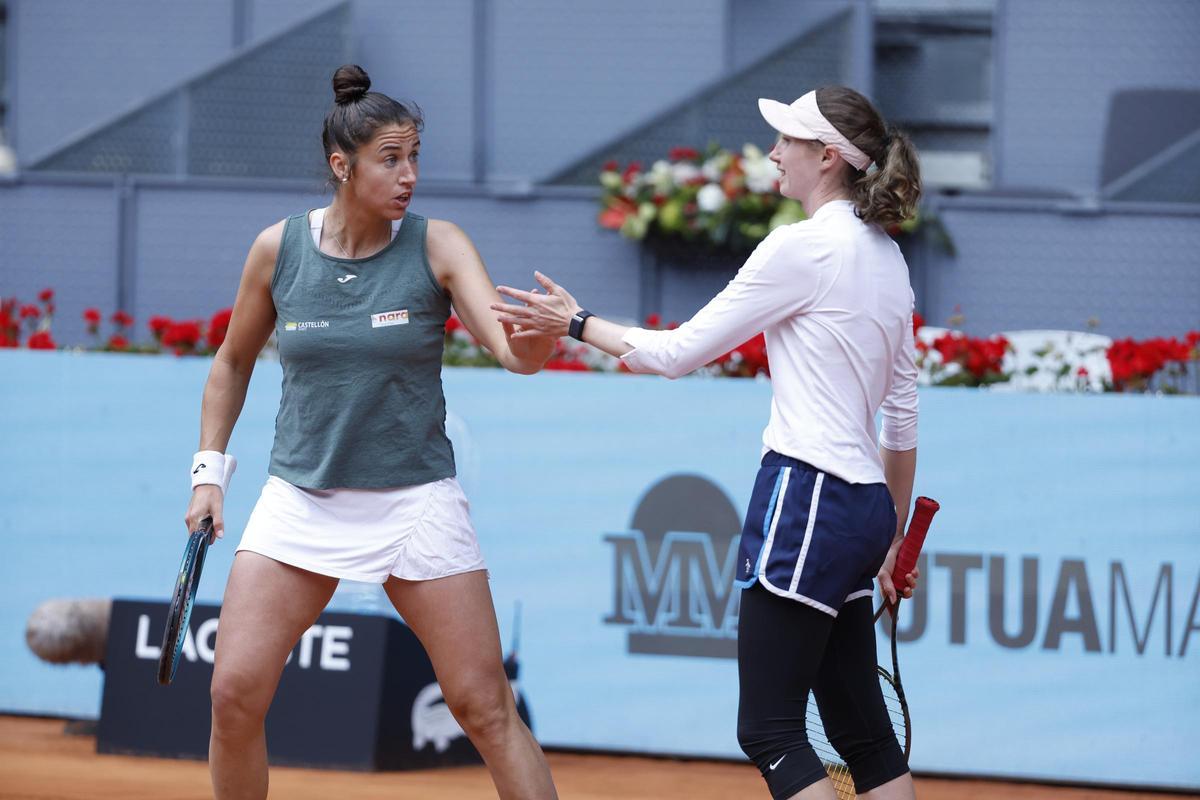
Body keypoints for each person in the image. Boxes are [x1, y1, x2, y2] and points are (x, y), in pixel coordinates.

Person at [492, 86, 923, 800]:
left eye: (788, 139)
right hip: (864, 508)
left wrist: (576, 322)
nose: (775, 152)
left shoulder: (804, 246)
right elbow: (901, 417)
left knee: (771, 729)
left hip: (808, 497)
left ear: (827, 157)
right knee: (864, 736)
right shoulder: (888, 257)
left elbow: (676, 353)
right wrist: (892, 535)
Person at [185, 64, 559, 800]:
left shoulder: (439, 244)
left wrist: (541, 338)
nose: (410, 174)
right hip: (301, 498)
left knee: (485, 708)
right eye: (392, 159)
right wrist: (207, 474)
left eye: (415, 156)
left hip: (415, 501)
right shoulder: (277, 248)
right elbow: (231, 363)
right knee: (232, 696)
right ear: (341, 165)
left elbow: (513, 353)